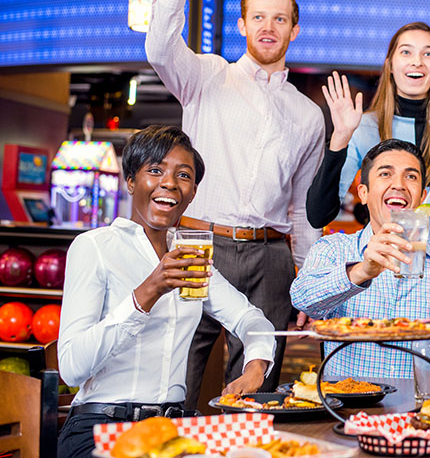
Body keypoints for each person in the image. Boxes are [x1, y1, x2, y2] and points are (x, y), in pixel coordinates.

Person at [145, 0, 324, 403]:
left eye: (280, 19)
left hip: (271, 258)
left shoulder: (308, 116)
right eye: (258, 18)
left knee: (257, 390)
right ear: (242, 25)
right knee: (177, 373)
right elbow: (159, 48)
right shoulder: (206, 76)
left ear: (294, 30)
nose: (268, 27)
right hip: (200, 244)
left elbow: (303, 211)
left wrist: (305, 284)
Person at [57, 126, 276, 458]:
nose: (170, 182)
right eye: (155, 170)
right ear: (131, 180)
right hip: (100, 430)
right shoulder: (95, 247)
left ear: (192, 193)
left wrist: (256, 366)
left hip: (174, 431)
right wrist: (147, 292)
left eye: (183, 175)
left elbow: (251, 319)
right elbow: (72, 367)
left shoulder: (192, 259)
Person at [292, 139, 430, 378]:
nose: (399, 185)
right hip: (347, 406)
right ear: (364, 193)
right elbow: (302, 300)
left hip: (424, 409)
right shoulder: (333, 249)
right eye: (385, 174)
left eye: (411, 177)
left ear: (423, 197)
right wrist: (362, 271)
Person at [305, 22, 430, 252]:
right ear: (390, 65)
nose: (417, 61)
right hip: (378, 267)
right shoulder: (363, 127)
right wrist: (339, 139)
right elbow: (318, 215)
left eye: (428, 53)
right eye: (406, 52)